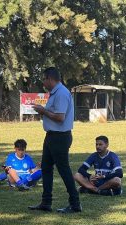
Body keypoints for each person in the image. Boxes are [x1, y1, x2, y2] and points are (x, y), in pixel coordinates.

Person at [29, 67, 81, 213]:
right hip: (52, 136)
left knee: (64, 170)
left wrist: (42, 111)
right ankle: (46, 202)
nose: (43, 82)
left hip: (60, 137)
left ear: (50, 79)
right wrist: (43, 111)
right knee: (46, 168)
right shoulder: (54, 93)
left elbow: (60, 117)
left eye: (44, 79)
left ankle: (75, 203)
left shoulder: (61, 93)